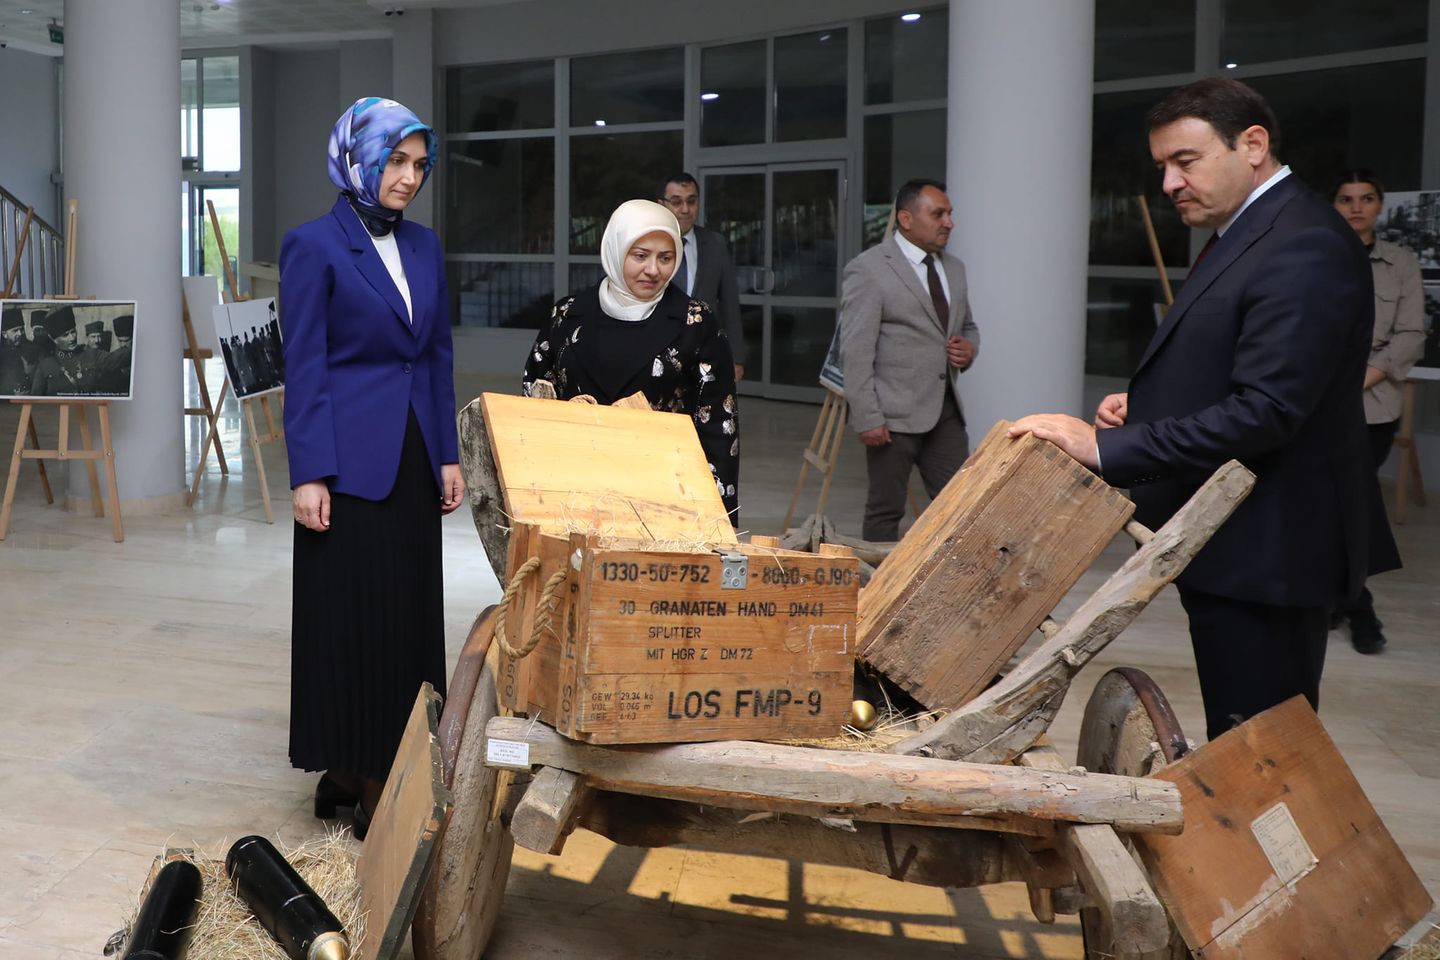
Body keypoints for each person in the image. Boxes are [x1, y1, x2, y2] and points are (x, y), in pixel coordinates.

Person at [1009, 77, 1399, 741]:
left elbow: (1269, 410)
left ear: (1252, 144)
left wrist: (1104, 449)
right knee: (1240, 737)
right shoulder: (1254, 228)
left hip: (1270, 551)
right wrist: (1151, 403)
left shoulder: (1303, 241)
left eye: (1185, 162)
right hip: (1236, 545)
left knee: (1262, 755)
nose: (1169, 183)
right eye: (1162, 167)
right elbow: (1246, 361)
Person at [280, 96, 464, 839]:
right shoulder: (314, 245)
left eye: (420, 164)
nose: (410, 177)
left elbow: (438, 354)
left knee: (406, 617)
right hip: (345, 467)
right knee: (348, 620)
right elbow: (306, 364)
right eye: (396, 160)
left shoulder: (424, 247)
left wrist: (448, 455)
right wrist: (308, 471)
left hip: (414, 460)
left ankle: (388, 763)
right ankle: (353, 768)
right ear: (359, 156)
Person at [523, 198, 740, 522]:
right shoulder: (567, 316)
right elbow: (533, 401)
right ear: (616, 249)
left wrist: (718, 523)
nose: (653, 270)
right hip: (572, 495)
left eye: (665, 258)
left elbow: (719, 427)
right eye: (640, 256)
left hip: (663, 502)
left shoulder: (695, 322)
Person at [838, 178, 980, 542]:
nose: (948, 222)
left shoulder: (955, 269)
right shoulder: (869, 269)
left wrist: (969, 348)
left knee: (961, 508)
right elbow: (855, 350)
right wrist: (867, 416)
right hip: (892, 418)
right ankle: (875, 596)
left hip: (945, 412)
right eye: (938, 214)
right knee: (885, 512)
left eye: (949, 214)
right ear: (905, 218)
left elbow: (968, 326)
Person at [1329, 170, 1425, 653]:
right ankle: (1344, 598)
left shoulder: (1401, 262)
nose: (1356, 207)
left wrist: (1367, 374)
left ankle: (1355, 605)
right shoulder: (1318, 258)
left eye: (1366, 198)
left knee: (1356, 505)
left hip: (1373, 404)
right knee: (1325, 503)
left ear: (1381, 205)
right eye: (1346, 199)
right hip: (1318, 401)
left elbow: (1412, 334)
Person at [659, 173, 746, 381]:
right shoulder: (651, 243)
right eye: (676, 202)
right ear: (662, 204)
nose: (685, 209)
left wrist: (737, 357)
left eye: (691, 201)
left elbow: (729, 304)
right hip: (660, 351)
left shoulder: (716, 244)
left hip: (706, 353)